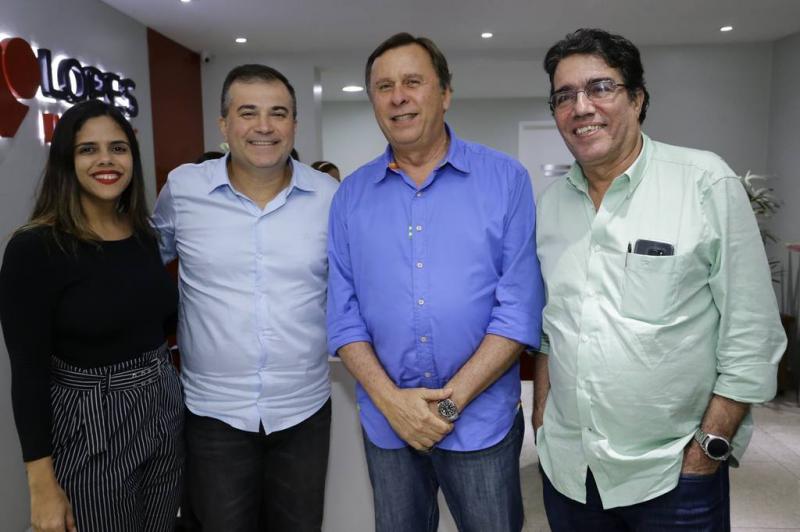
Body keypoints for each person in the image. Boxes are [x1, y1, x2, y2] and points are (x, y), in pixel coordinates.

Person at [532, 28, 786, 531]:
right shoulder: (552, 205)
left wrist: (709, 447)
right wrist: (542, 419)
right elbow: (550, 330)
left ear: (637, 98)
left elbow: (752, 333)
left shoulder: (704, 182)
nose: (581, 107)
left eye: (600, 87)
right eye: (564, 96)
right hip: (570, 472)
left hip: (672, 475)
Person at [327, 32, 544, 532]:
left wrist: (447, 404)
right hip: (388, 423)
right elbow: (343, 316)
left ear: (445, 93)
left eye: (412, 82)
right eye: (384, 87)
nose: (398, 97)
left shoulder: (505, 181)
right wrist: (393, 404)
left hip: (481, 422)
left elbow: (518, 309)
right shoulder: (350, 197)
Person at [152, 64, 337, 532]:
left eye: (278, 113)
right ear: (224, 124)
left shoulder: (329, 196)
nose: (264, 126)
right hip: (214, 414)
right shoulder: (184, 189)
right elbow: (141, 267)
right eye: (248, 112)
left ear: (294, 124)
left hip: (303, 412)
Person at [0, 99, 182, 532]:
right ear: (66, 159)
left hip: (163, 407)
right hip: (91, 423)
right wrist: (41, 484)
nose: (106, 160)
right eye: (88, 149)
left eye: (118, 148)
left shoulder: (142, 235)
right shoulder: (34, 248)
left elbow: (157, 324)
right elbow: (27, 373)